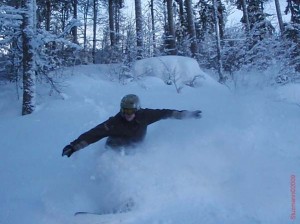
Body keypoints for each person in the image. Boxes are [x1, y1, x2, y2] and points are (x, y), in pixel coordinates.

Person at [62, 94, 202, 157]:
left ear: (137, 110)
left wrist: (187, 114)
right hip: (114, 152)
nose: (128, 114)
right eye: (125, 111)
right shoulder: (114, 123)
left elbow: (167, 113)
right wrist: (74, 146)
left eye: (131, 111)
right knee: (116, 166)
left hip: (134, 151)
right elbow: (93, 134)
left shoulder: (145, 116)